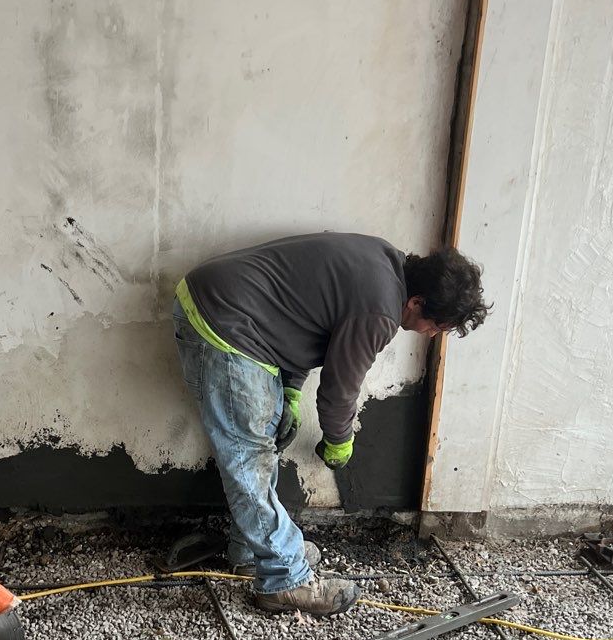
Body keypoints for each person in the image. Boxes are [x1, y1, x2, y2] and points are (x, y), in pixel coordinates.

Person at [171, 231, 487, 615]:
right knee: (248, 457)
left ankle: (252, 553)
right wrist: (340, 439)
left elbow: (301, 319)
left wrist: (288, 390)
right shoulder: (380, 310)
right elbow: (339, 389)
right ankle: (284, 580)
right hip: (224, 324)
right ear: (416, 302)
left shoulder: (385, 260)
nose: (433, 335)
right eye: (436, 326)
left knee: (258, 448)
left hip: (232, 312)